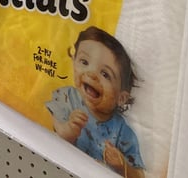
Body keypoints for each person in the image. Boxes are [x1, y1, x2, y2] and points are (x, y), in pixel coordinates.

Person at [46, 27, 144, 177]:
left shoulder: (123, 132)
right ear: (73, 60)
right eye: (84, 62)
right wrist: (68, 131)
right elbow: (49, 130)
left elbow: (139, 175)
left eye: (105, 74)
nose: (91, 74)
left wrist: (122, 166)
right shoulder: (66, 97)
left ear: (121, 98)